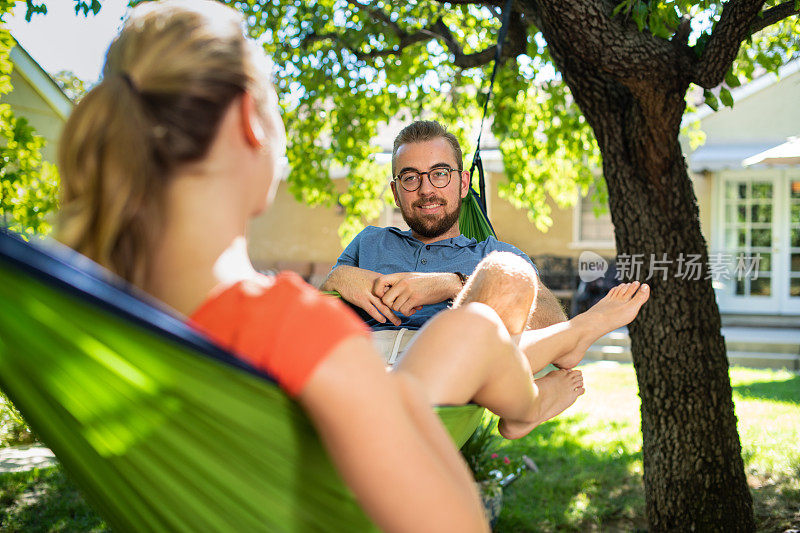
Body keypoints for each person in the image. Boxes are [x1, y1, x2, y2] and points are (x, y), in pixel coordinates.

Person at [56, 1, 650, 530]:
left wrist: (441, 285)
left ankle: (544, 363)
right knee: (470, 331)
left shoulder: (89, 314)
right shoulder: (290, 324)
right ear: (247, 122)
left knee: (473, 321)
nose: (426, 188)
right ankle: (541, 378)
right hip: (356, 466)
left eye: (440, 175)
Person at [321, 120, 567, 365]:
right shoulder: (370, 242)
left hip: (449, 372)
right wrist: (337, 278)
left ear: (463, 184)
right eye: (410, 177)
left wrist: (455, 285)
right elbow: (314, 320)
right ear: (396, 193)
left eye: (440, 174)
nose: (426, 190)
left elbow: (555, 330)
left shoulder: (497, 257)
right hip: (362, 366)